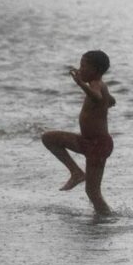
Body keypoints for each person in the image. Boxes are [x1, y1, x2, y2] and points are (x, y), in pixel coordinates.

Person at [42, 50, 116, 215]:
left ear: (95, 71)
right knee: (49, 138)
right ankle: (76, 172)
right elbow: (108, 99)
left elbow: (97, 97)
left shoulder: (96, 85)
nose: (80, 69)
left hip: (98, 145)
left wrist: (80, 84)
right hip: (87, 141)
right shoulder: (99, 85)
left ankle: (105, 219)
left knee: (92, 192)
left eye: (84, 66)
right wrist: (109, 100)